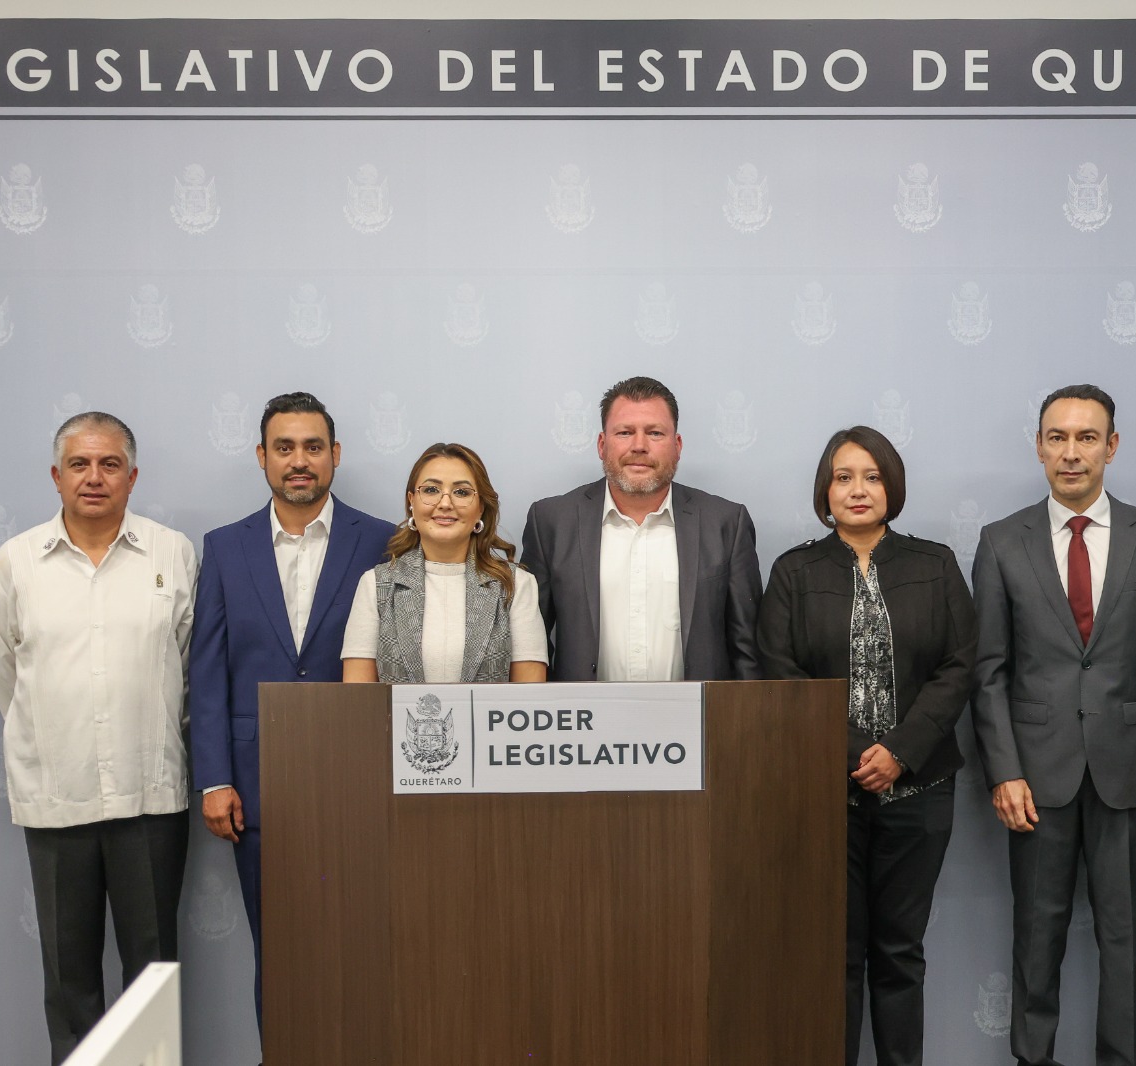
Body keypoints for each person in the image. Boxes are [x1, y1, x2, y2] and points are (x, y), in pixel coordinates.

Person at [971, 384, 1136, 1066]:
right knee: (1036, 937)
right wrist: (1004, 771)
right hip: (1034, 779)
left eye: (1087, 437)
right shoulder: (1000, 541)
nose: (1072, 452)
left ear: (1112, 446)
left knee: (1125, 938)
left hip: (1130, 775)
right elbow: (988, 672)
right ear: (1040, 447)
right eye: (1058, 437)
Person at [757, 426, 976, 1066]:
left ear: (892, 487)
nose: (858, 489)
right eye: (844, 477)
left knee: (900, 952)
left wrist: (900, 751)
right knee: (836, 954)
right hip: (826, 792)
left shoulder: (935, 564)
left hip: (921, 787)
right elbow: (781, 672)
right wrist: (858, 754)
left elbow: (960, 664)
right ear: (825, 490)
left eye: (873, 476)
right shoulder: (794, 571)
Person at [0, 412, 195, 1064]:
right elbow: (8, 677)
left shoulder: (172, 553)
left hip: (150, 796)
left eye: (109, 464)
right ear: (57, 476)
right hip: (57, 796)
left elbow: (187, 669)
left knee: (151, 976)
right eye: (80, 464)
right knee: (68, 978)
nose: (94, 477)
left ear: (133, 476)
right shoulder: (15, 562)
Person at [187, 391, 395, 1033]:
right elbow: (208, 671)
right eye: (284, 448)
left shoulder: (384, 540)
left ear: (335, 454)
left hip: (364, 782)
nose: (298, 460)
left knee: (365, 947)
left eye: (312, 447)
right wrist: (215, 779)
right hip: (255, 788)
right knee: (278, 951)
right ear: (262, 456)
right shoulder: (225, 547)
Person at [519, 375, 761, 682]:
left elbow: (747, 653)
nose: (639, 446)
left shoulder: (726, 522)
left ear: (677, 446)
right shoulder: (551, 522)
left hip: (698, 711)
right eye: (625, 432)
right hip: (583, 712)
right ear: (602, 445)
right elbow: (531, 645)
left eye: (655, 433)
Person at [341, 442, 547, 683]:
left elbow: (528, 700)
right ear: (411, 501)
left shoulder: (516, 585)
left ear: (480, 507)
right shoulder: (376, 585)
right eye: (431, 490)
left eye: (461, 492)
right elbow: (360, 698)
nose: (445, 503)